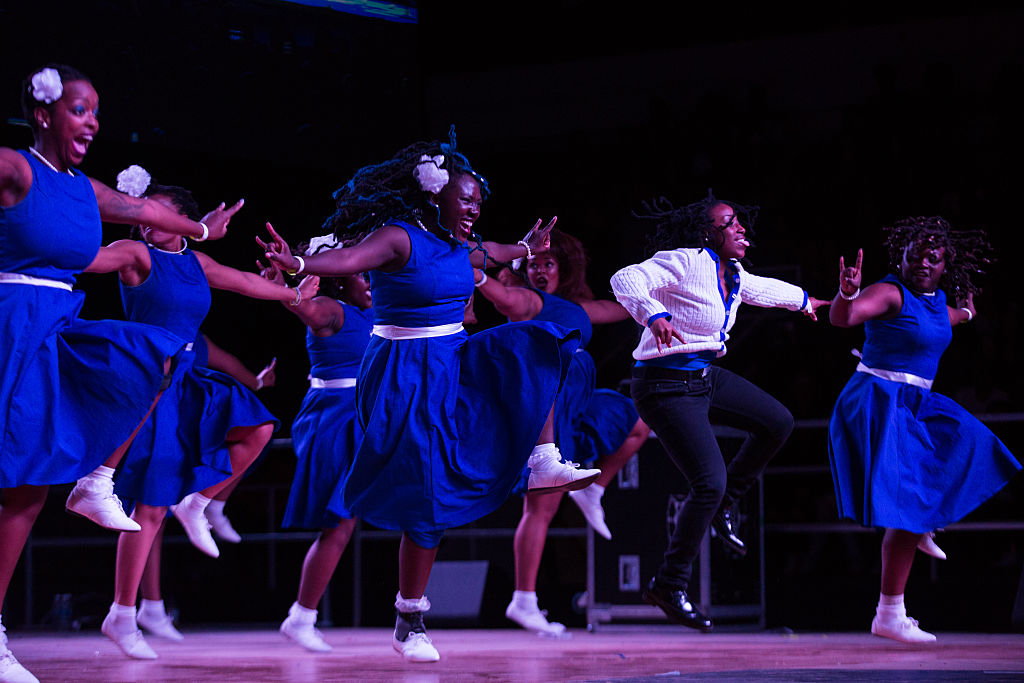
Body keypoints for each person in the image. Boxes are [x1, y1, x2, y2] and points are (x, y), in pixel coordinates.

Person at [261, 134, 599, 662]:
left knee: (543, 341)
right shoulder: (399, 237)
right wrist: (300, 264)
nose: (473, 209)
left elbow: (497, 251)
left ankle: (542, 460)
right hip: (402, 373)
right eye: (465, 200)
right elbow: (349, 258)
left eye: (478, 203)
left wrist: (527, 249)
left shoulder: (459, 246)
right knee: (428, 498)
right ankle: (411, 618)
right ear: (435, 193)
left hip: (453, 361)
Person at [0, 64, 238, 683]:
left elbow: (138, 207)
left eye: (95, 112)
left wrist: (200, 229)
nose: (92, 122)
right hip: (8, 319)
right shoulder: (14, 167)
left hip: (53, 321)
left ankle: (95, 481)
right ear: (44, 112)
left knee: (150, 355)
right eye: (80, 109)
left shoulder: (84, 189)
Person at [82, 170, 300, 659]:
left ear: (182, 220)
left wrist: (291, 293)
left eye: (157, 214)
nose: (145, 221)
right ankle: (122, 615)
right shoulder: (137, 255)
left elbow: (245, 283)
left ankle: (199, 502)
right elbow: (92, 259)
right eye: (142, 214)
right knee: (148, 510)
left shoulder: (197, 262)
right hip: (147, 389)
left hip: (185, 384)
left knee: (259, 426)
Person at [610, 192, 828, 632]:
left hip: (704, 377)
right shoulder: (685, 260)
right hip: (663, 385)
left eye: (738, 222)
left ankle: (723, 507)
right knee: (708, 480)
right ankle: (669, 584)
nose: (741, 228)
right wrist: (653, 314)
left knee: (778, 422)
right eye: (730, 223)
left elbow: (765, 288)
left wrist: (808, 302)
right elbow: (625, 277)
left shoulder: (735, 274)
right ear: (708, 232)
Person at [828, 216, 1021, 643]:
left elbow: (948, 320)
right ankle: (890, 614)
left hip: (915, 402)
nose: (922, 263)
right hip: (878, 400)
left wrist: (969, 312)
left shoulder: (937, 304)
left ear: (944, 264)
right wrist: (846, 294)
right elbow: (846, 318)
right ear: (901, 257)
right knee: (907, 508)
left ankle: (924, 524)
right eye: (914, 255)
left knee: (973, 441)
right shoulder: (889, 293)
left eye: (932, 258)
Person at [473, 229, 649, 635]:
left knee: (638, 422)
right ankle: (523, 600)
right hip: (544, 413)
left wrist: (662, 294)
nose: (539, 270)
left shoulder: (577, 307)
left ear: (564, 268)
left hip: (578, 406)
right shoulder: (530, 301)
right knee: (542, 508)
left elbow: (622, 308)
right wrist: (481, 277)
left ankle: (594, 489)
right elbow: (505, 298)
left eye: (548, 263)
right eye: (533, 263)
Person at [134, 333, 277, 641]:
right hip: (157, 421)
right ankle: (150, 606)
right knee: (149, 515)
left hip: (190, 429)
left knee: (254, 432)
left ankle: (211, 504)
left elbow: (231, 364)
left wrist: (260, 382)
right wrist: (292, 293)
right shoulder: (158, 332)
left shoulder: (196, 340)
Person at [268, 236, 372, 652]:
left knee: (347, 523)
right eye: (362, 273)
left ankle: (303, 616)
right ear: (337, 278)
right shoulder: (334, 310)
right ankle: (302, 616)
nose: (371, 280)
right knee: (339, 522)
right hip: (333, 418)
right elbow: (304, 308)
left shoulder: (375, 313)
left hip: (363, 419)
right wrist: (291, 292)